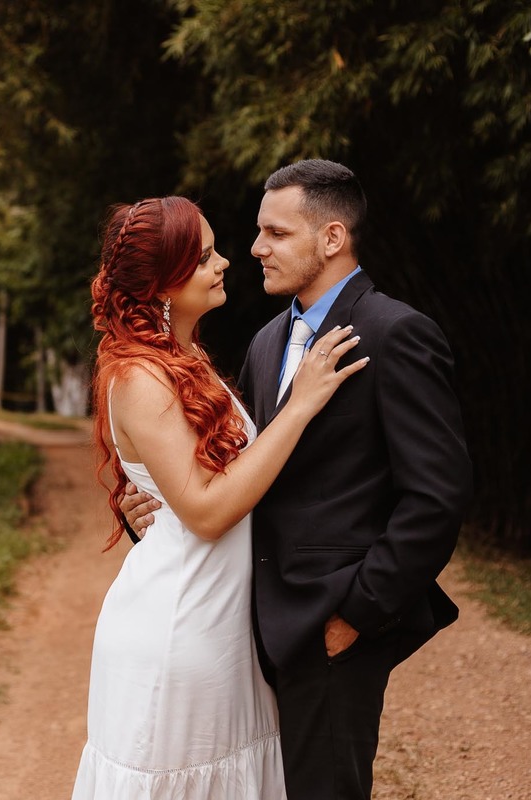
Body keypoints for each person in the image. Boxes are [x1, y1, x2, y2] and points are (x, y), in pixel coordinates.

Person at [122, 160, 474, 800]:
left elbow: (437, 498)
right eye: (259, 232)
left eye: (276, 234)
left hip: (332, 624)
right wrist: (149, 503)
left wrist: (356, 616)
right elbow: (240, 471)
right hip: (250, 627)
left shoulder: (397, 335)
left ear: (332, 238)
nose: (254, 248)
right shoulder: (264, 342)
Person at [71, 195, 369, 800]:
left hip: (222, 629)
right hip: (179, 632)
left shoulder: (185, 360)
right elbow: (206, 512)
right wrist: (302, 404)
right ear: (161, 282)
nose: (227, 262)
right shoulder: (137, 375)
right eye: (205, 256)